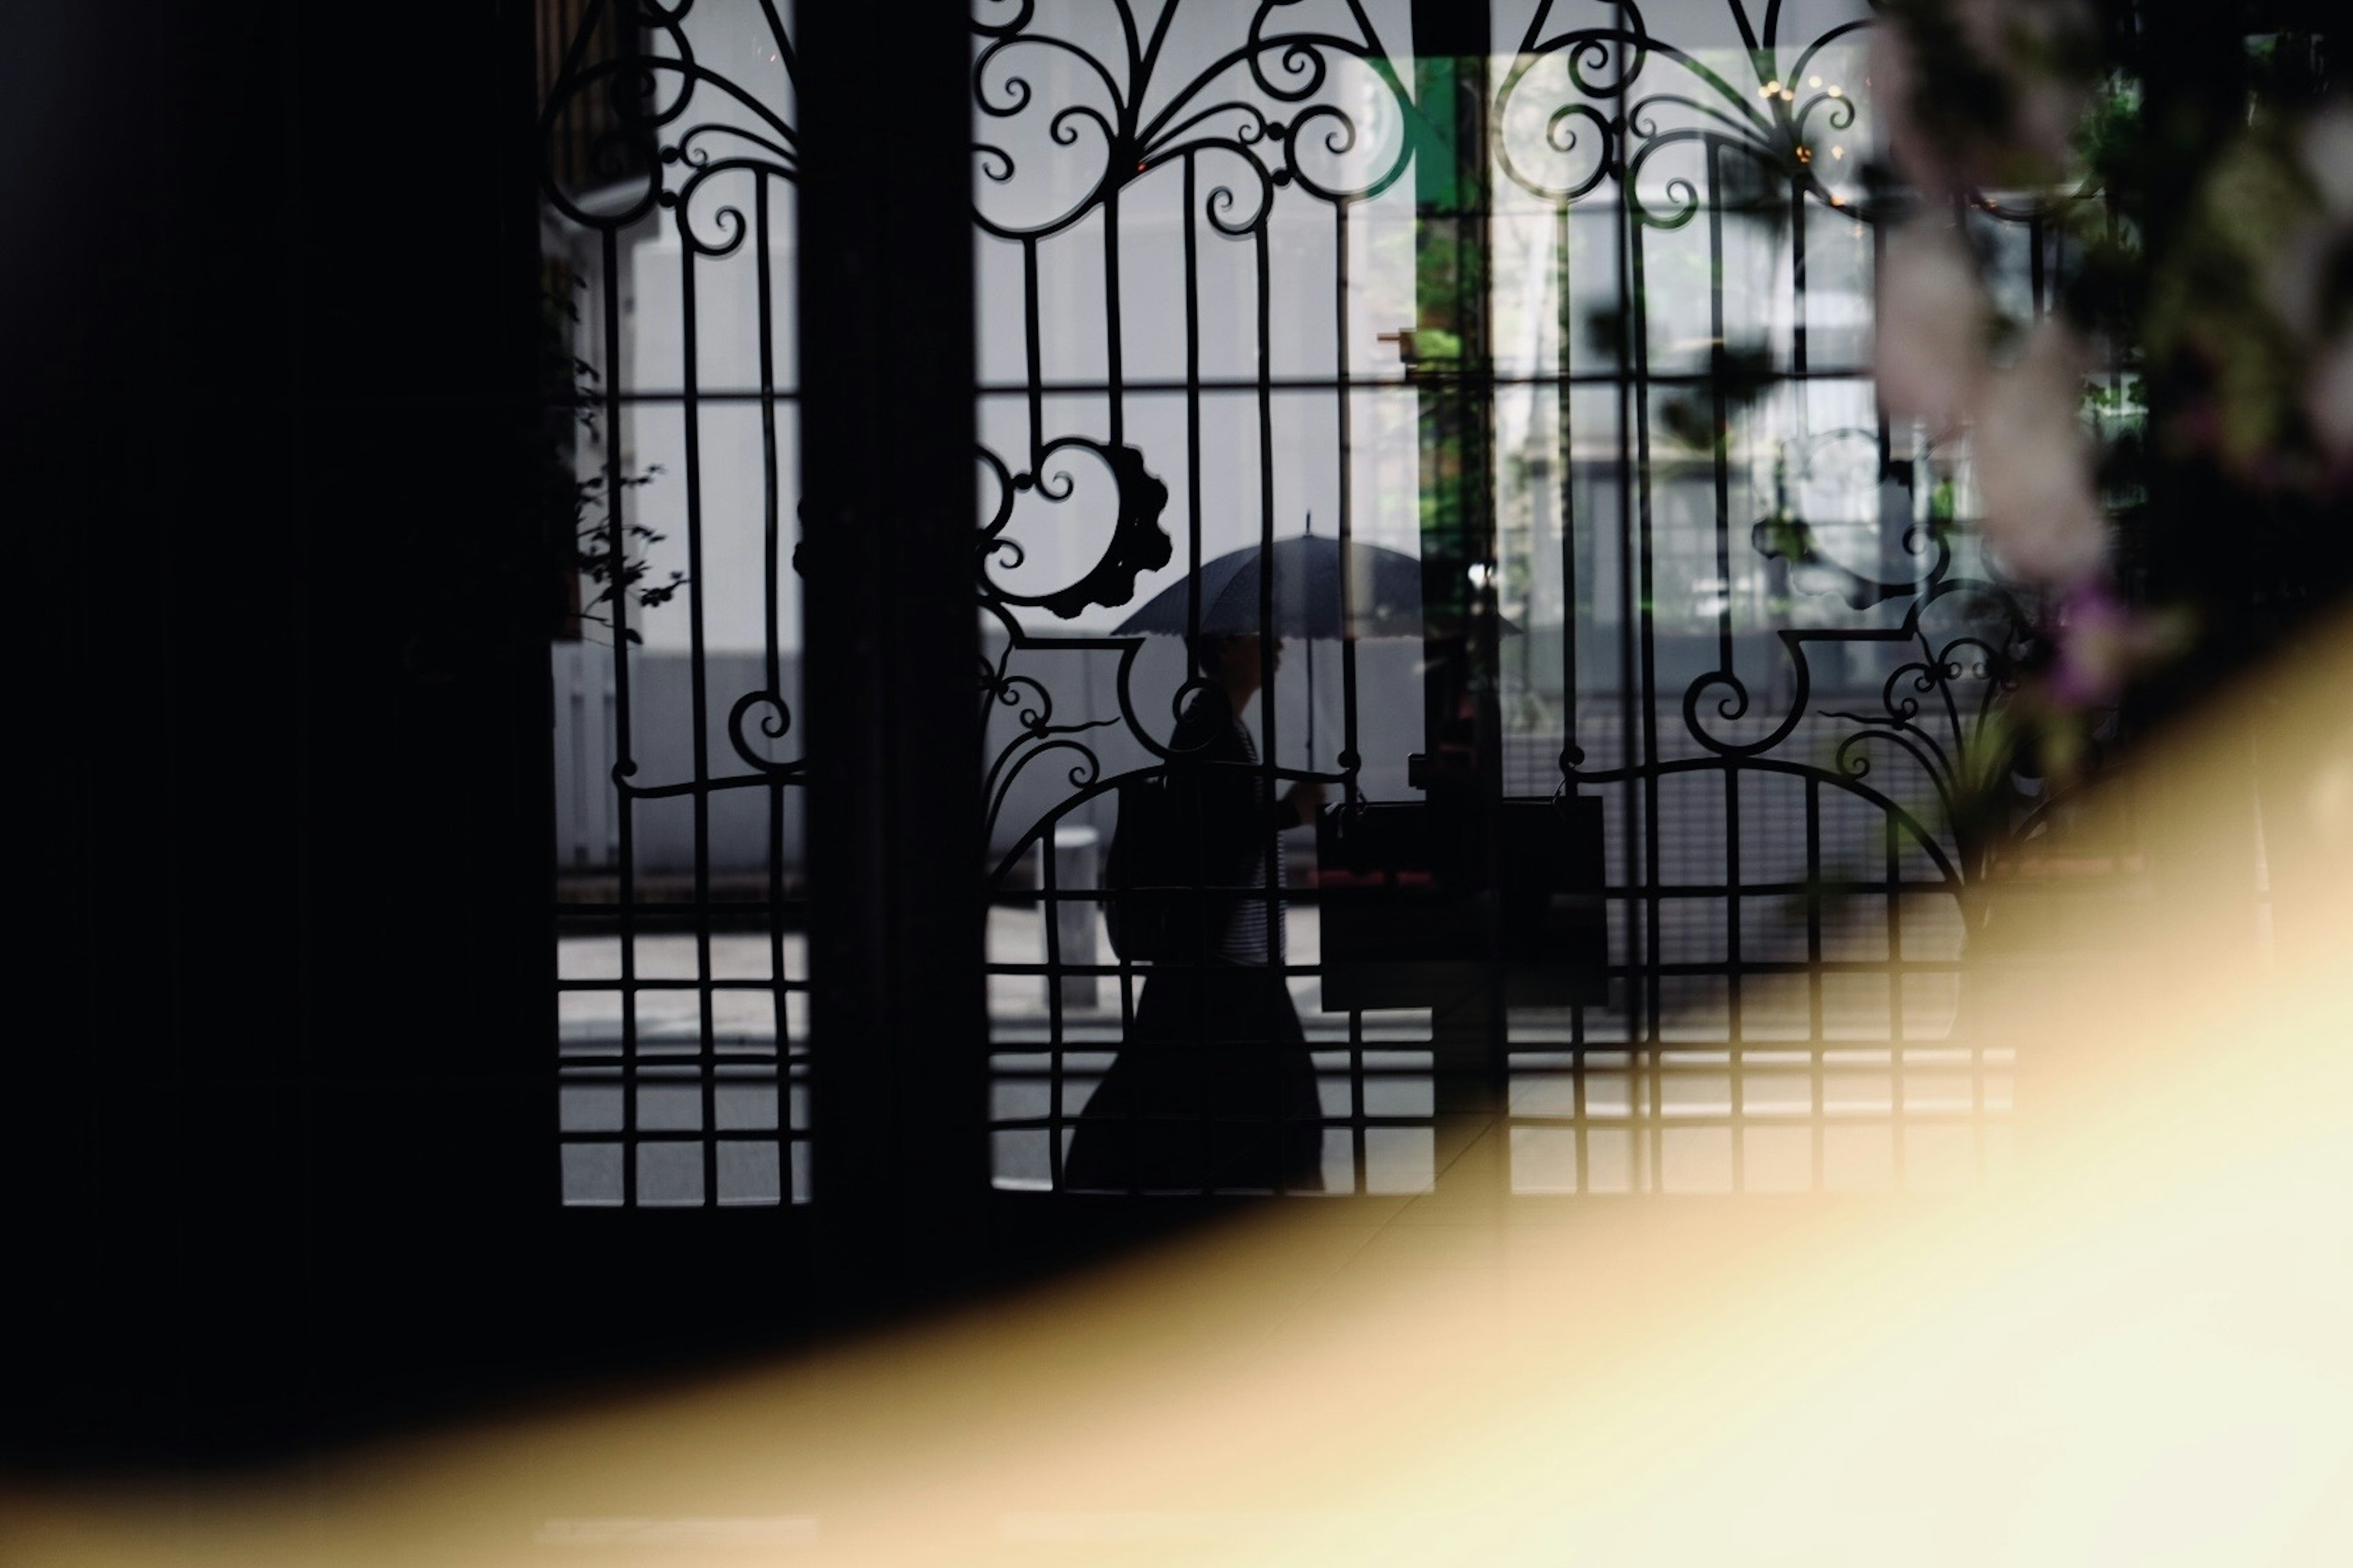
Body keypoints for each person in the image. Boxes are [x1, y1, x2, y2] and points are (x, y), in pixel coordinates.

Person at [1063, 634, 1328, 1193]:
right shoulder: (1210, 728)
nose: (1277, 643)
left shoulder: (1222, 725)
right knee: (1271, 1103)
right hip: (1222, 958)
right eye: (1260, 635)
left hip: (1231, 956)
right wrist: (1292, 812)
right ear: (1228, 649)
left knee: (1185, 1090)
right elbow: (1209, 835)